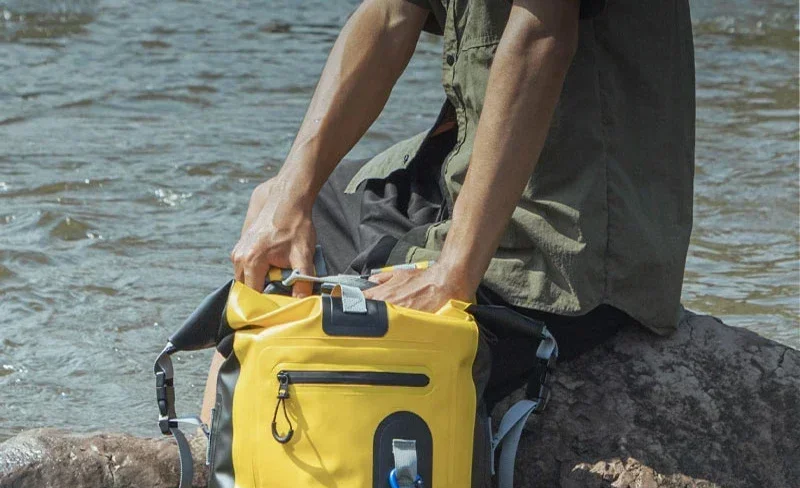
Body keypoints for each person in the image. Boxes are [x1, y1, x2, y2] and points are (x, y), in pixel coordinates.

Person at [203, 0, 694, 417]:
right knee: (269, 240)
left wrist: (452, 272)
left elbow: (540, 36)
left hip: (564, 230)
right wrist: (291, 193)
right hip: (461, 181)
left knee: (352, 337)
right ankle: (211, 487)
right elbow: (391, 15)